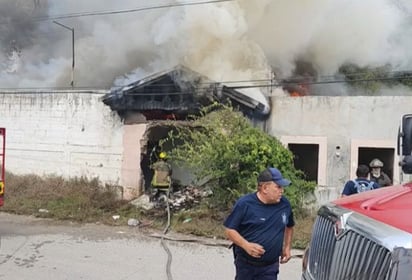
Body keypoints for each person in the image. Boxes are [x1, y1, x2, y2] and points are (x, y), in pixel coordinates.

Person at [223, 167, 294, 280]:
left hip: (270, 267)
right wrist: (246, 245)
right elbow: (229, 230)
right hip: (246, 266)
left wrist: (287, 247)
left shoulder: (284, 205)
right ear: (265, 188)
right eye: (278, 187)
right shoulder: (245, 204)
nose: (282, 191)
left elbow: (289, 226)